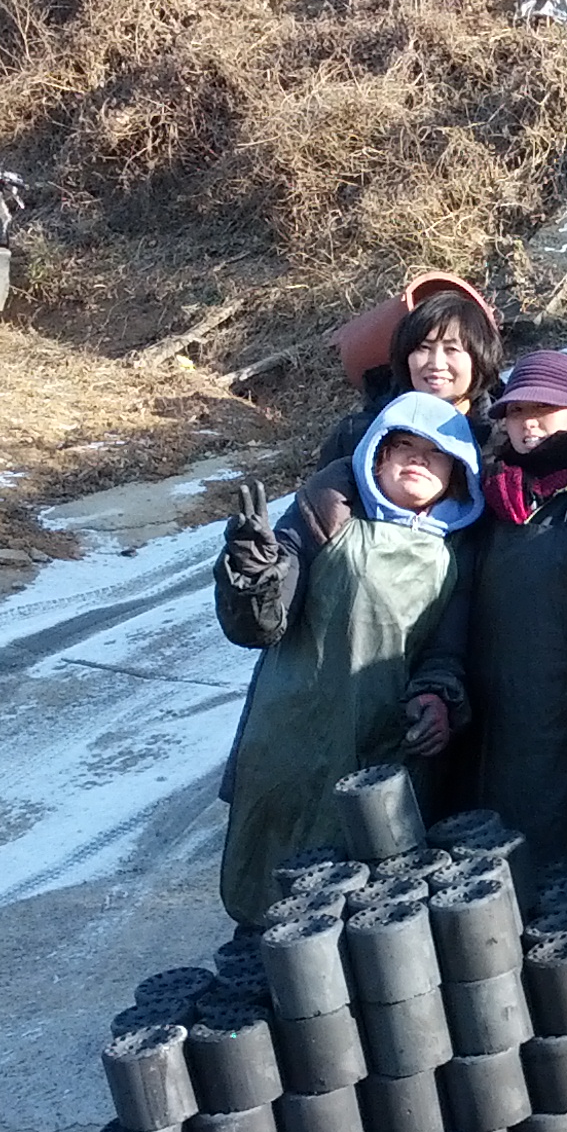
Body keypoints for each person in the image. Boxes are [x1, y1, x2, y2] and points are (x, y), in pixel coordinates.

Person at [215, 392, 484, 922]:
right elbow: (263, 625)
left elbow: (446, 649)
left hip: (388, 746)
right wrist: (254, 574)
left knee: (373, 915)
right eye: (403, 446)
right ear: (377, 457)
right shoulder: (328, 511)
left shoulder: (458, 548)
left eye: (435, 453)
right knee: (274, 886)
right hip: (294, 730)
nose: (418, 459)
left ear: (456, 473)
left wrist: (437, 698)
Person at [422, 350, 567, 873]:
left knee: (558, 881)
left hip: (564, 738)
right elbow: (455, 605)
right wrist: (438, 687)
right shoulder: (487, 503)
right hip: (479, 729)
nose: (528, 423)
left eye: (544, 409)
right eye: (517, 411)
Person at [312, 283, 505, 472]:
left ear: (479, 358)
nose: (436, 363)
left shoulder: (506, 436)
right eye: (423, 348)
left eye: (451, 349)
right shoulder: (357, 435)